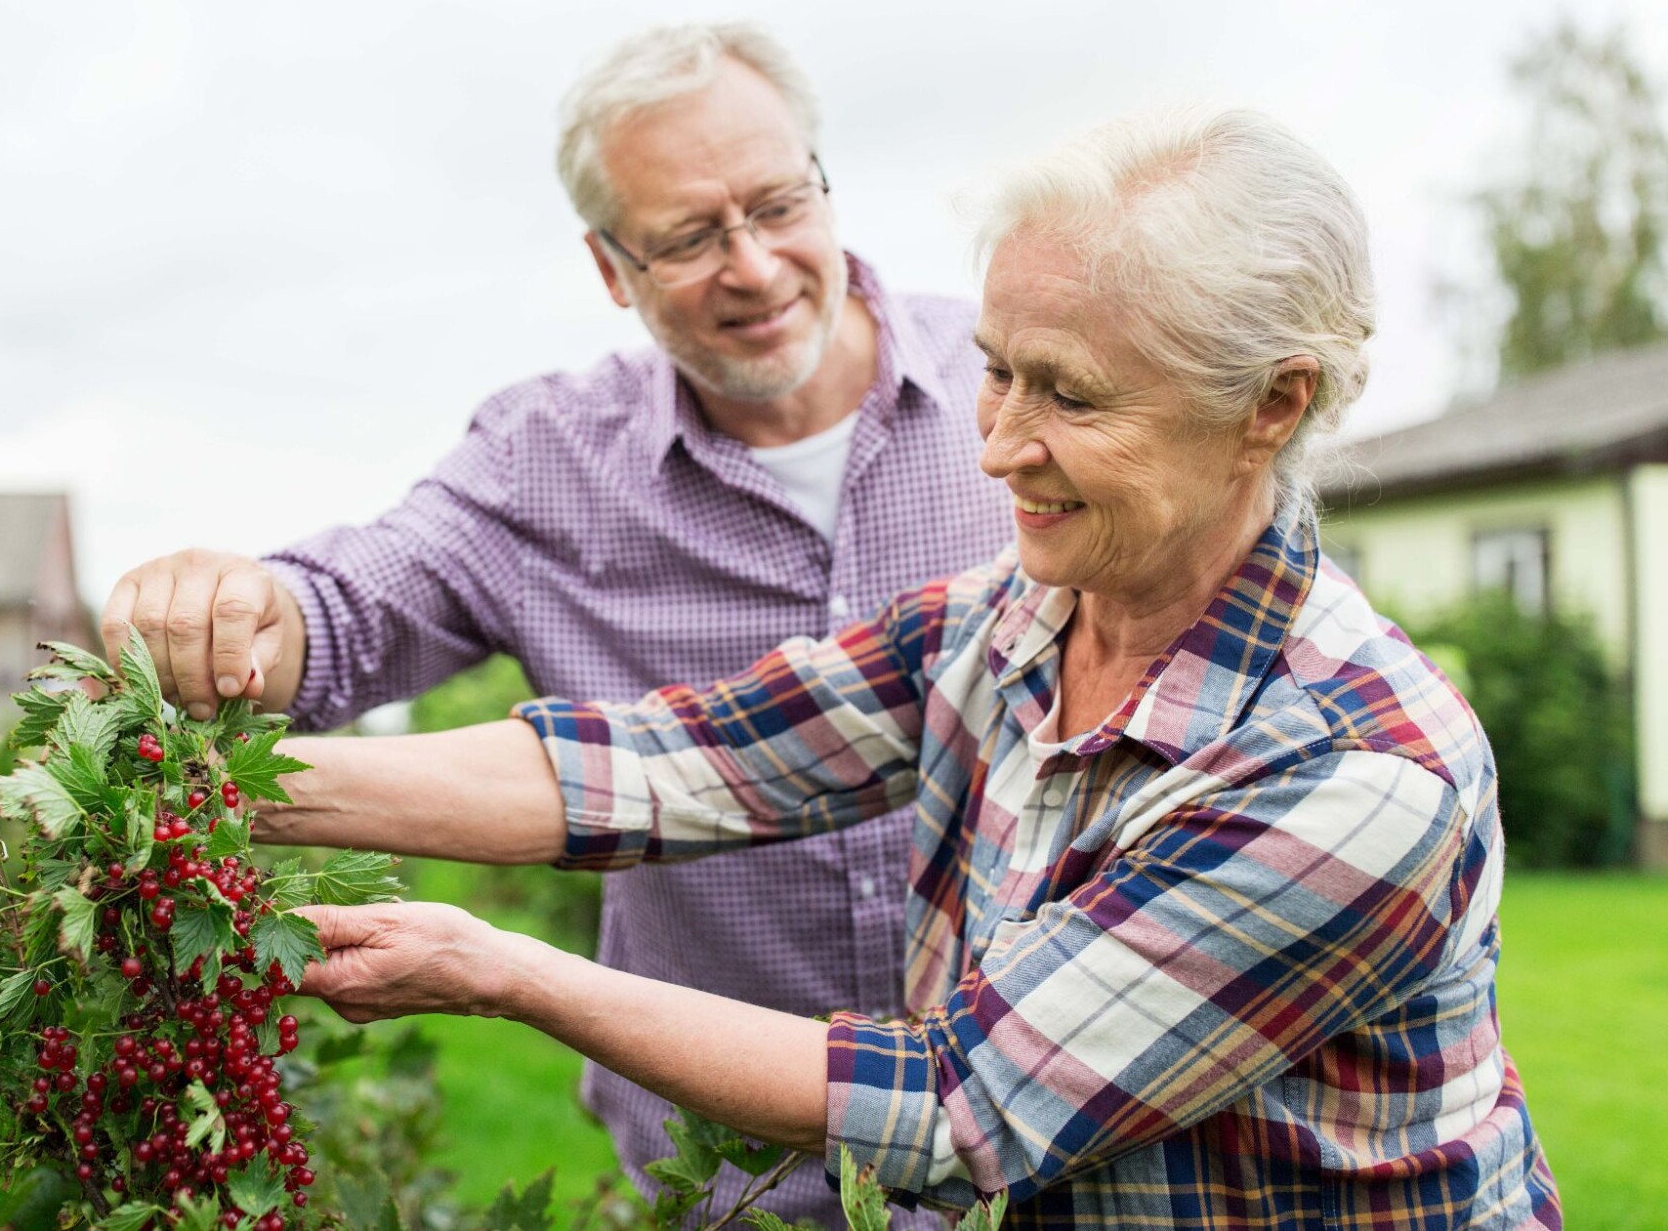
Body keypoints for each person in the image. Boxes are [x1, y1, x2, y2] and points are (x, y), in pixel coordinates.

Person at [266, 107, 1563, 1226]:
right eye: (995, 372)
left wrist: (508, 971)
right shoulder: (1013, 623)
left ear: (1270, 406)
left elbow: (960, 1105)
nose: (996, 446)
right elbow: (684, 764)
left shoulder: (1355, 771)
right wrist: (225, 783)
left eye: (1070, 396)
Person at [102, 22, 1010, 1222]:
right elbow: (349, 606)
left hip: (1045, 1153)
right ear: (608, 266)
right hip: (730, 1184)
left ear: (825, 182)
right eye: (687, 237)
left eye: (779, 204)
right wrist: (232, 613)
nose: (751, 264)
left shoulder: (1020, 390)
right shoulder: (549, 467)